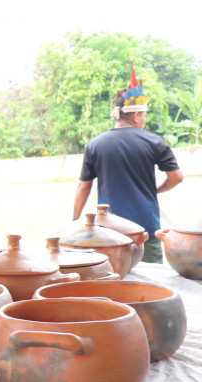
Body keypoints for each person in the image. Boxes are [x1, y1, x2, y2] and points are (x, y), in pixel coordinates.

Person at [73, 63, 183, 263]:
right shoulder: (154, 141)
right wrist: (154, 190)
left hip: (108, 233)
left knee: (113, 282)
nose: (144, 120)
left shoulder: (95, 145)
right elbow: (177, 177)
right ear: (135, 116)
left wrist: (74, 221)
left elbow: (83, 187)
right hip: (146, 230)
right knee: (152, 285)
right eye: (144, 115)